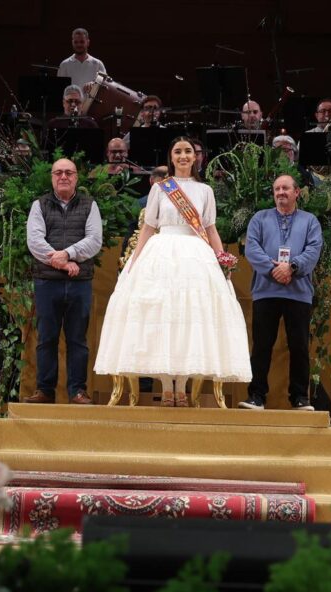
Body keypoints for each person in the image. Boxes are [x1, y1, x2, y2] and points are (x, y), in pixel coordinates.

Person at [94, 137, 251, 406]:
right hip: (161, 253)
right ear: (171, 156)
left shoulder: (205, 191)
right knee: (162, 316)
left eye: (188, 151)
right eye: (177, 151)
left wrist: (221, 259)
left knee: (190, 318)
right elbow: (149, 227)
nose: (183, 156)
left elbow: (210, 228)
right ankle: (167, 385)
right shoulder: (161, 189)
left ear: (196, 157)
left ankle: (185, 384)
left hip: (195, 254)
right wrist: (134, 260)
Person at [239, 175, 322, 410]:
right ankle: (256, 396)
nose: (280, 192)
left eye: (285, 188)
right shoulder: (259, 218)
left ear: (297, 192)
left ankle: (299, 398)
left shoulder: (309, 221)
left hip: (298, 292)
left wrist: (292, 267)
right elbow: (251, 247)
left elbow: (314, 249)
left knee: (299, 347)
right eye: (277, 188)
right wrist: (272, 269)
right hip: (266, 291)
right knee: (262, 345)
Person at [24, 158, 102, 405]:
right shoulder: (40, 205)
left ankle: (78, 391)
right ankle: (44, 391)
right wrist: (62, 263)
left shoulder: (90, 205)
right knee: (46, 338)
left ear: (77, 177)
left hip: (79, 283)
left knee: (78, 340)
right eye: (58, 172)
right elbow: (35, 242)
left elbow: (94, 241)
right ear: (52, 177)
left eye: (69, 172)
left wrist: (68, 254)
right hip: (47, 282)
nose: (64, 177)